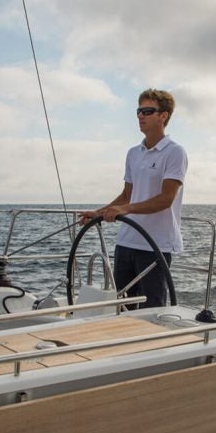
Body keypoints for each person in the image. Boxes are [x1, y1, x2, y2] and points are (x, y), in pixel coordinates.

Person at [81, 88, 188, 310]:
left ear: (163, 116)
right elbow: (126, 195)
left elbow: (165, 199)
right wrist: (99, 212)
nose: (140, 116)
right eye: (139, 111)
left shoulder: (174, 152)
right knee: (121, 307)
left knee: (153, 310)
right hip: (126, 242)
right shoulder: (133, 153)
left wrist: (125, 210)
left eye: (148, 111)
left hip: (155, 244)